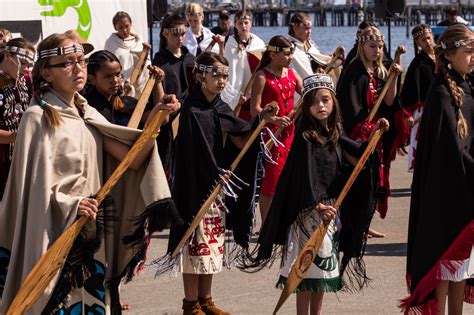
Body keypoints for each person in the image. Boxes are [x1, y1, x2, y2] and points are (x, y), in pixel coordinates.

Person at [0, 32, 179, 314]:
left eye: (81, 61)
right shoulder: (37, 118)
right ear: (46, 73)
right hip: (52, 236)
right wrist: (72, 204)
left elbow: (131, 159)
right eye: (67, 63)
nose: (78, 68)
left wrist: (157, 118)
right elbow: (32, 191)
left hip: (90, 233)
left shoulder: (86, 112)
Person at [241, 74, 388, 315]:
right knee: (306, 269)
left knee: (322, 271)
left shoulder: (334, 133)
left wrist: (375, 136)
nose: (320, 106)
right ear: (306, 107)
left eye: (325, 100)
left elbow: (358, 157)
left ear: (333, 103)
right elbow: (303, 178)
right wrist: (318, 207)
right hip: (308, 212)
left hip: (331, 211)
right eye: (314, 102)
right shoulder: (305, 136)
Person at [163, 51, 274, 315]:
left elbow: (239, 140)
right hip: (192, 188)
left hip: (216, 186)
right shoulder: (189, 108)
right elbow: (189, 155)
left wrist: (262, 122)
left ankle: (206, 300)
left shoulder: (220, 106)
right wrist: (213, 172)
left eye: (225, 75)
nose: (222, 80)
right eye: (216, 75)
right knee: (193, 247)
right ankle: (190, 304)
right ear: (200, 75)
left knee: (211, 245)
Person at [401, 24, 474, 315]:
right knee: (443, 270)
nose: (473, 57)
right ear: (449, 54)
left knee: (461, 270)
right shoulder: (441, 94)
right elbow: (452, 153)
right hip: (445, 200)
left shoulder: (468, 88)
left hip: (465, 197)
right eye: (468, 52)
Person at [336, 26, 404, 237]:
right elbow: (349, 108)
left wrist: (393, 75)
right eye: (372, 46)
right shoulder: (354, 71)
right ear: (362, 46)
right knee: (357, 178)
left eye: (380, 47)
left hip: (376, 132)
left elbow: (390, 100)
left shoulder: (379, 69)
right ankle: (353, 223)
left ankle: (364, 223)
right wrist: (363, 129)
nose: (377, 50)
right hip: (358, 134)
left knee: (373, 179)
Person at [248, 36, 302, 225]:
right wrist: (274, 119)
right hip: (271, 136)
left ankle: (284, 221)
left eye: (292, 53)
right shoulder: (262, 77)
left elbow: (306, 94)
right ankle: (267, 225)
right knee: (270, 183)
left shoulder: (292, 74)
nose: (291, 57)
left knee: (289, 178)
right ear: (273, 54)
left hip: (290, 133)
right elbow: (254, 109)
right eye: (287, 54)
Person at [152, 14, 195, 171]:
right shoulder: (160, 62)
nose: (180, 38)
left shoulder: (190, 59)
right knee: (169, 166)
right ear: (165, 34)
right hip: (169, 122)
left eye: (183, 33)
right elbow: (158, 97)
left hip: (189, 117)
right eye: (175, 34)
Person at [0, 37, 35, 197]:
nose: (27, 69)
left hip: (22, 155)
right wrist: (18, 136)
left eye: (29, 65)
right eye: (23, 63)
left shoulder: (25, 81)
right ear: (8, 55)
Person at [400, 24, 436, 172]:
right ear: (418, 43)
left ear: (432, 36)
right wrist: (408, 114)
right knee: (425, 144)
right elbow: (408, 92)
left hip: (443, 106)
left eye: (428, 38)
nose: (427, 42)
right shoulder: (417, 64)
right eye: (423, 40)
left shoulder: (443, 57)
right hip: (424, 111)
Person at [223, 10, 266, 111]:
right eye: (240, 23)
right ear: (235, 25)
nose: (243, 26)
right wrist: (235, 95)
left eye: (246, 23)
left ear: (251, 23)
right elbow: (232, 69)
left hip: (254, 87)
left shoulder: (258, 42)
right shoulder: (231, 43)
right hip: (238, 89)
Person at [104, 11, 152, 97]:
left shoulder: (139, 41)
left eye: (127, 26)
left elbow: (146, 63)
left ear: (131, 24)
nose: (125, 30)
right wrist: (122, 82)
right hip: (122, 88)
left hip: (142, 86)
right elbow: (108, 67)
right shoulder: (111, 43)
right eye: (120, 27)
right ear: (115, 28)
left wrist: (145, 52)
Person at [288, 12, 342, 83]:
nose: (309, 31)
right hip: (302, 87)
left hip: (316, 83)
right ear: (295, 28)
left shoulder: (310, 44)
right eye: (306, 29)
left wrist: (332, 59)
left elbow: (318, 61)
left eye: (310, 28)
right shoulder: (289, 48)